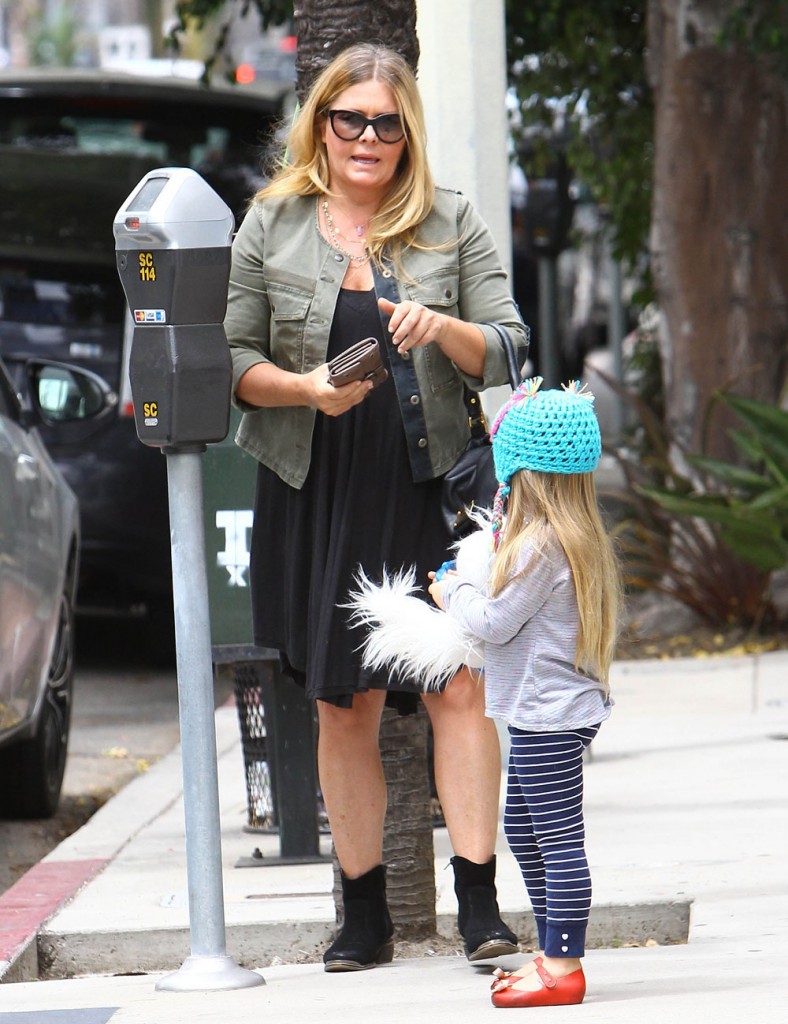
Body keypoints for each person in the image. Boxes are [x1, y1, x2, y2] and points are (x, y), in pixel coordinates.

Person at [223, 41, 528, 973]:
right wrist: (307, 389)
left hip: (429, 486)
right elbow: (233, 365)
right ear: (321, 124)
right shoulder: (270, 224)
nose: (367, 137)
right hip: (316, 489)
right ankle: (363, 917)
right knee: (342, 704)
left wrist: (447, 330)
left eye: (386, 124)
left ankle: (479, 906)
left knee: (459, 687)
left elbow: (510, 345)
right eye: (348, 118)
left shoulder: (450, 220)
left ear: (408, 134)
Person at [427, 378, 622, 1008]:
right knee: (524, 825)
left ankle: (564, 965)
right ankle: (551, 953)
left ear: (525, 473)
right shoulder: (568, 537)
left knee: (556, 836)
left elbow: (493, 623)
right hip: (549, 710)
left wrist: (451, 589)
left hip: (549, 714)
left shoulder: (540, 546)